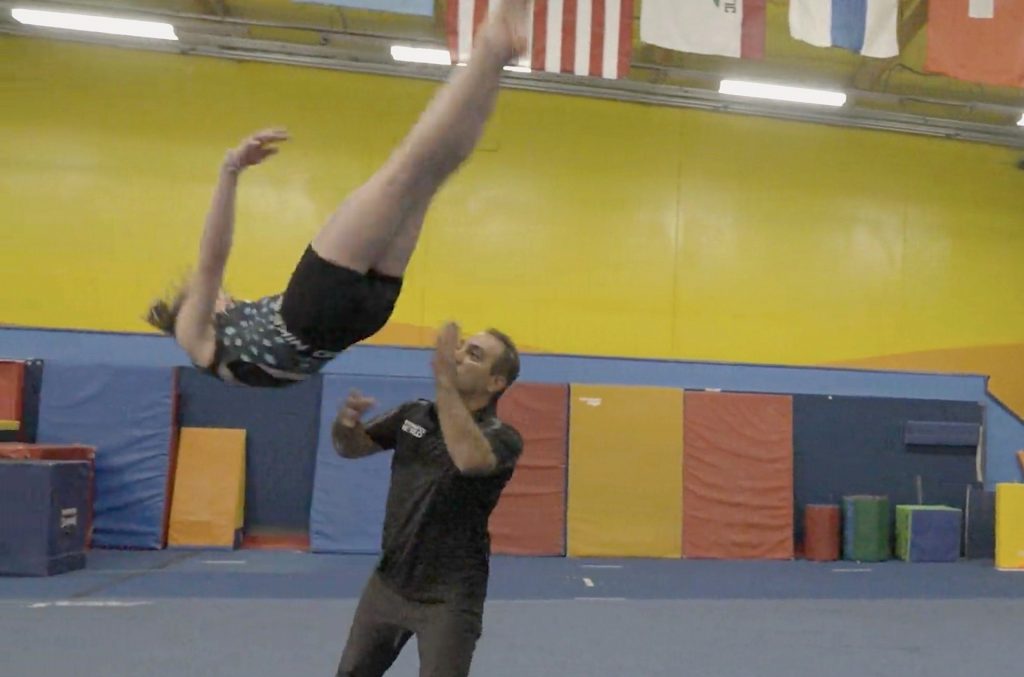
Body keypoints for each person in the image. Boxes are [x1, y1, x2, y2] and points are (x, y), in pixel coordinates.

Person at [145, 0, 531, 387]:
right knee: (405, 171)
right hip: (313, 310)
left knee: (428, 178)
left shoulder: (230, 340)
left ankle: (494, 58)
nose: (224, 297)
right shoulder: (192, 334)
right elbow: (212, 259)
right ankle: (491, 46)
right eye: (216, 298)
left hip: (358, 319)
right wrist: (229, 171)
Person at [331, 321, 523, 677]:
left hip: (450, 597)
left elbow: (467, 459)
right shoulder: (413, 415)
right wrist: (345, 426)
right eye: (461, 347)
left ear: (496, 383)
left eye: (474, 355)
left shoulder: (502, 439)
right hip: (388, 584)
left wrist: (445, 382)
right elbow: (351, 448)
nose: (459, 356)